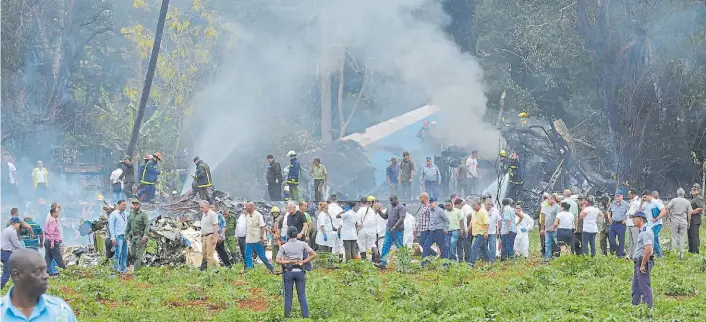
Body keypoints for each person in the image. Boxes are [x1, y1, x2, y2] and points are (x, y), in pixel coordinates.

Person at [1, 249, 78, 321]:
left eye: (45, 270)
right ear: (16, 275)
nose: (46, 276)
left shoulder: (60, 311)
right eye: (38, 271)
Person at [275, 227, 317, 318]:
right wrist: (304, 261)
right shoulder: (303, 244)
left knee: (288, 296)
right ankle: (306, 317)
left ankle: (287, 317)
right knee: (302, 296)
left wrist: (288, 261)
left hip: (288, 273)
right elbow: (314, 254)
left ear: (288, 235)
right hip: (300, 272)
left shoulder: (284, 246)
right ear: (296, 234)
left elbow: (277, 260)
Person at [630, 211, 654, 308]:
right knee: (636, 286)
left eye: (634, 218)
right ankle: (635, 306)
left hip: (643, 261)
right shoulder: (643, 231)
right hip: (639, 261)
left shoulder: (645, 231)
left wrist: (643, 264)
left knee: (644, 286)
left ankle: (648, 309)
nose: (632, 220)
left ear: (640, 219)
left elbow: (648, 249)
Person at [243, 202, 274, 272]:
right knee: (247, 254)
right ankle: (249, 268)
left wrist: (261, 237)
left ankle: (271, 268)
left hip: (257, 239)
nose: (245, 208)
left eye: (246, 207)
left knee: (261, 256)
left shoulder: (258, 215)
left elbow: (262, 226)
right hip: (249, 240)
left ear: (251, 207)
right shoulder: (247, 215)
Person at [376, 195, 406, 268]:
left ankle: (403, 263)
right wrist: (379, 212)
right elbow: (385, 216)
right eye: (390, 200)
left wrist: (395, 227)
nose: (391, 202)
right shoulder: (389, 207)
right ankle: (383, 262)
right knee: (386, 245)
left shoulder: (401, 207)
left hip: (398, 230)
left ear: (396, 199)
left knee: (400, 246)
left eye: (392, 200)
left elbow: (402, 218)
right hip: (389, 229)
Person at [663, 188, 693, 258]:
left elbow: (667, 207)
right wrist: (688, 222)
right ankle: (681, 254)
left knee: (674, 237)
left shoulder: (674, 200)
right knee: (682, 237)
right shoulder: (687, 202)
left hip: (674, 220)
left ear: (677, 193)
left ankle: (674, 254)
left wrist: (669, 216)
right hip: (683, 221)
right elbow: (689, 213)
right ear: (684, 193)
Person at [421, 197, 449, 265]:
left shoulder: (440, 211)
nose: (430, 204)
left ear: (436, 203)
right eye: (429, 202)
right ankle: (424, 264)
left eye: (431, 202)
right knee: (426, 246)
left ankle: (445, 265)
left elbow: (447, 220)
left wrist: (445, 229)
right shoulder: (430, 210)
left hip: (439, 232)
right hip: (432, 232)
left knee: (443, 248)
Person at [126, 199, 150, 271]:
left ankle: (136, 272)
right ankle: (142, 265)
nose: (135, 206)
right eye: (134, 205)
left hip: (141, 237)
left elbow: (147, 226)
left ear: (139, 205)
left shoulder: (143, 215)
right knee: (132, 253)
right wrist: (126, 234)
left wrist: (145, 236)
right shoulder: (131, 214)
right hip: (133, 237)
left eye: (136, 205)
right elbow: (128, 225)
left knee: (138, 255)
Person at [641, 190, 665, 258]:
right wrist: (641, 202)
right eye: (643, 198)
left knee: (651, 238)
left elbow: (663, 211)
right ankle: (657, 252)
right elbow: (640, 210)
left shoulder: (656, 202)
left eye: (645, 197)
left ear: (649, 195)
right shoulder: (645, 203)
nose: (644, 199)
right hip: (649, 224)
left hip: (657, 224)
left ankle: (659, 254)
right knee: (655, 238)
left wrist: (657, 218)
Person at [43, 207, 67, 275]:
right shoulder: (53, 221)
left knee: (48, 259)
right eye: (57, 212)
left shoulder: (50, 219)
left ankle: (42, 272)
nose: (58, 213)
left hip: (47, 241)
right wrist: (52, 243)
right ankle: (65, 272)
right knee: (58, 258)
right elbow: (51, 232)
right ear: (53, 213)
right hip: (52, 242)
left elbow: (46, 231)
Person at [2, 218, 23, 289]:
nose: (19, 225)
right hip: (7, 254)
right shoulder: (12, 231)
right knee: (6, 274)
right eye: (18, 224)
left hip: (2, 252)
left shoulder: (5, 230)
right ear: (15, 223)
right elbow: (16, 243)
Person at [108, 200, 129, 273]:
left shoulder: (126, 214)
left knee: (125, 254)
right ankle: (116, 268)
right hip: (118, 236)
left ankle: (123, 268)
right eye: (123, 205)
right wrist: (113, 238)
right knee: (118, 254)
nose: (125, 206)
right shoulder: (114, 214)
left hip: (125, 236)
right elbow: (111, 226)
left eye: (125, 205)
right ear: (118, 205)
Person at [357, 196, 379, 261]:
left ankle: (364, 260)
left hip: (362, 230)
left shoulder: (360, 210)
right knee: (372, 245)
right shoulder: (372, 211)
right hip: (372, 231)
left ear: (360, 203)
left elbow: (358, 221)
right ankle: (376, 253)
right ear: (367, 202)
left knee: (362, 245)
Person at [199, 201, 219, 271]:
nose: (200, 209)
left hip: (210, 236)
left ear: (207, 206)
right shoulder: (204, 214)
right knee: (204, 253)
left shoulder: (212, 214)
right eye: (200, 207)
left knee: (209, 255)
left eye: (202, 207)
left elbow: (216, 226)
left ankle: (209, 271)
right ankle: (215, 266)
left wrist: (214, 238)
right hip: (204, 236)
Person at [608, 191, 629, 257]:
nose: (617, 197)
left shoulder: (626, 204)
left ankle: (620, 254)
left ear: (622, 196)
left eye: (618, 196)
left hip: (621, 224)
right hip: (613, 224)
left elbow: (629, 212)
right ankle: (617, 250)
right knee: (611, 240)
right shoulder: (613, 203)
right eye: (616, 196)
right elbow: (608, 211)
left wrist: (626, 219)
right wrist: (609, 217)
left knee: (621, 240)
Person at [469, 200, 489, 266]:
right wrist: (468, 229)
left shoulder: (483, 212)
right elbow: (472, 222)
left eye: (474, 205)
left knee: (474, 247)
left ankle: (471, 263)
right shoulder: (475, 212)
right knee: (484, 248)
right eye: (472, 205)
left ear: (479, 205)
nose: (473, 207)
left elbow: (486, 223)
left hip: (481, 233)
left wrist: (486, 232)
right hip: (476, 233)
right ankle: (490, 260)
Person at [689, 183, 705, 254]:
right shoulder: (693, 198)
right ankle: (691, 250)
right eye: (692, 189)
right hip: (691, 220)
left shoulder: (698, 198)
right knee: (690, 235)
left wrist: (691, 212)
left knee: (694, 235)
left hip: (695, 220)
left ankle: (695, 251)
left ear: (698, 191)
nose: (692, 191)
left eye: (694, 190)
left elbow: (701, 208)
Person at [626, 189, 642, 259]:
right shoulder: (632, 201)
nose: (628, 195)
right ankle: (630, 254)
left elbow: (640, 210)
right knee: (630, 240)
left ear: (633, 194)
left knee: (636, 240)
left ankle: (637, 254)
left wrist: (634, 216)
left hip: (634, 223)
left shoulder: (638, 201)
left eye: (629, 194)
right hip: (629, 223)